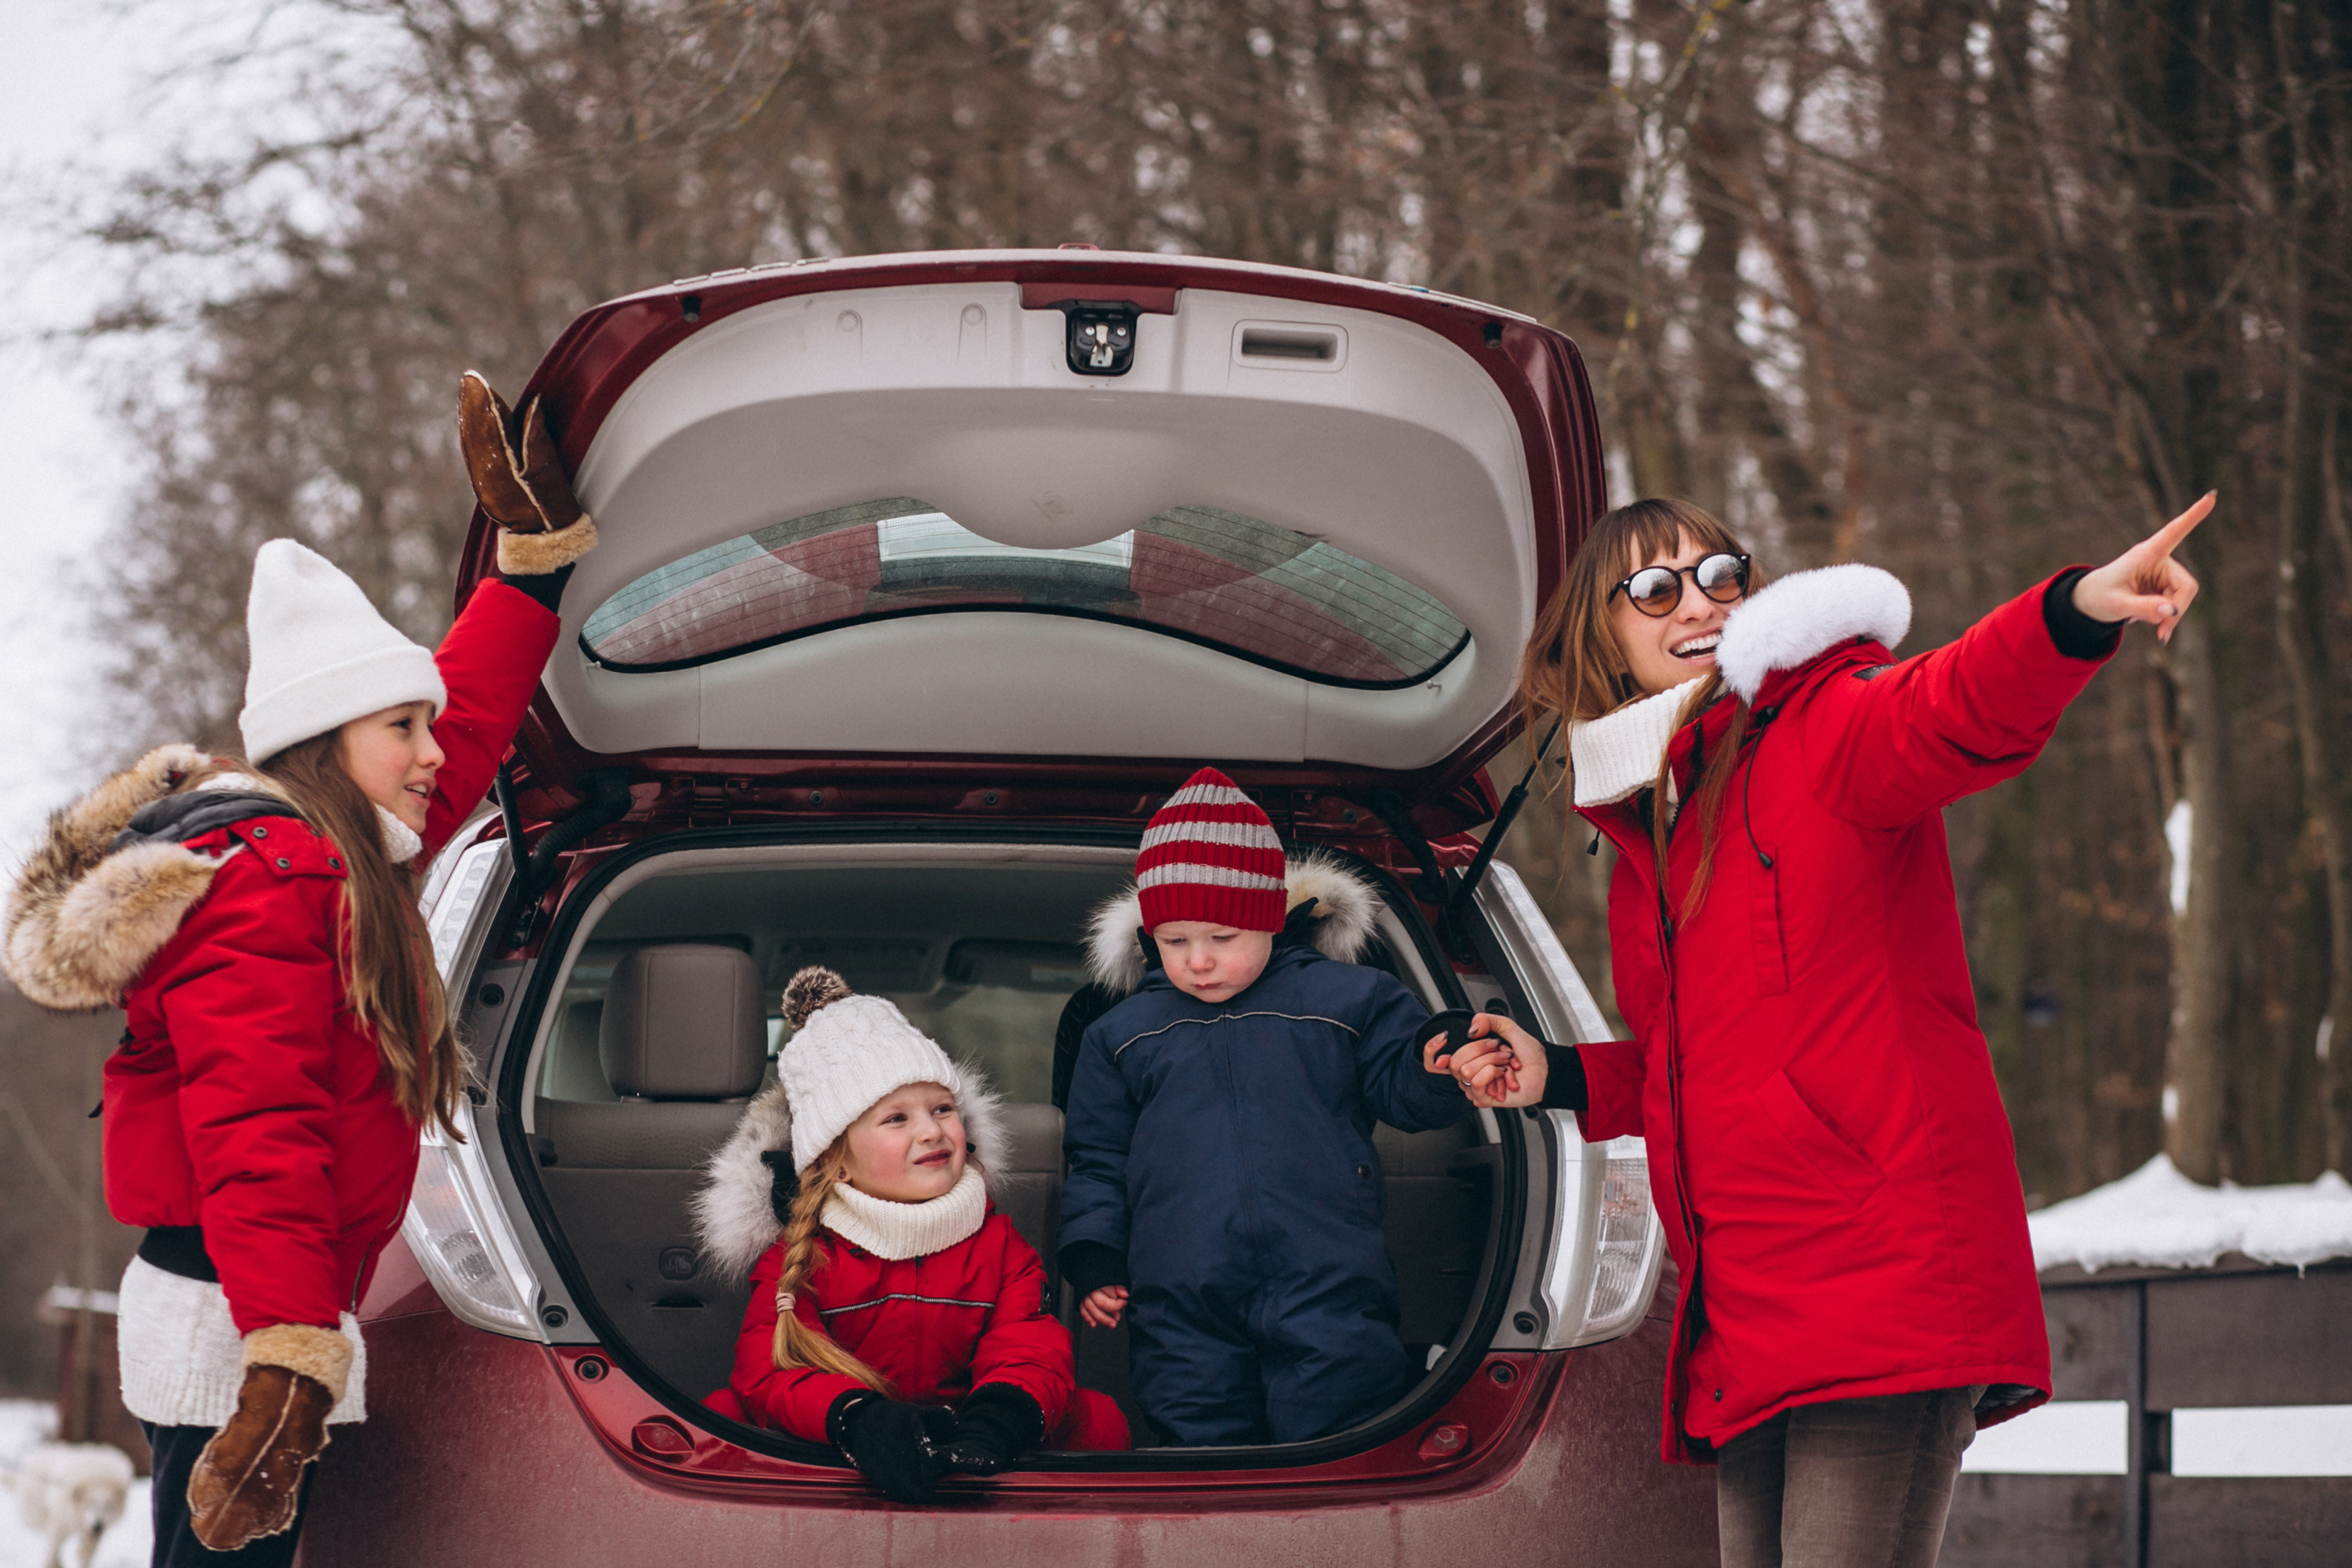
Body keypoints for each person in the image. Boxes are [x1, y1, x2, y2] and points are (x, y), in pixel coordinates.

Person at [1435, 494, 2210, 1568]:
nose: (1696, 604)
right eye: (1654, 590)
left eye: (1719, 575)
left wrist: (2074, 612)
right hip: (1754, 1317)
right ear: (1602, 640)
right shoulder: (1658, 826)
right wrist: (1557, 1075)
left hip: (1880, 1282)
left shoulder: (1822, 723)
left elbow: (1952, 704)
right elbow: (1706, 1066)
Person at [0, 372, 597, 1565]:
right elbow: (258, 1126)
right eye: (403, 732)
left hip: (265, 1312)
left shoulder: (323, 851)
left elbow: (460, 723)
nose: (438, 755)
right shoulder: (271, 885)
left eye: (426, 726)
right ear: (330, 743)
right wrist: (286, 1364)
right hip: (242, 1321)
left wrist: (531, 573)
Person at [1057, 767, 1477, 1446]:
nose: (1197, 961)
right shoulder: (1122, 1033)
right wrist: (1096, 1258)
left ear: (1268, 919)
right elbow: (1097, 1160)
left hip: (1327, 1273)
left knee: (1337, 1427)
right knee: (1197, 1435)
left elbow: (1405, 1092)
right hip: (1179, 1286)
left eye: (1222, 938)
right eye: (1174, 941)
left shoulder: (1349, 1000)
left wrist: (1438, 1063)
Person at [695, 967, 1129, 1504]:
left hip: (969, 1435)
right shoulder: (804, 1255)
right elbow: (767, 1369)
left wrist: (1000, 1417)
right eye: (896, 1119)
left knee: (1100, 1418)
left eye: (942, 1108)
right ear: (837, 1163)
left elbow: (1028, 1344)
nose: (931, 1130)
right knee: (721, 1413)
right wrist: (858, 1420)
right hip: (838, 1446)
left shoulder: (997, 1243)